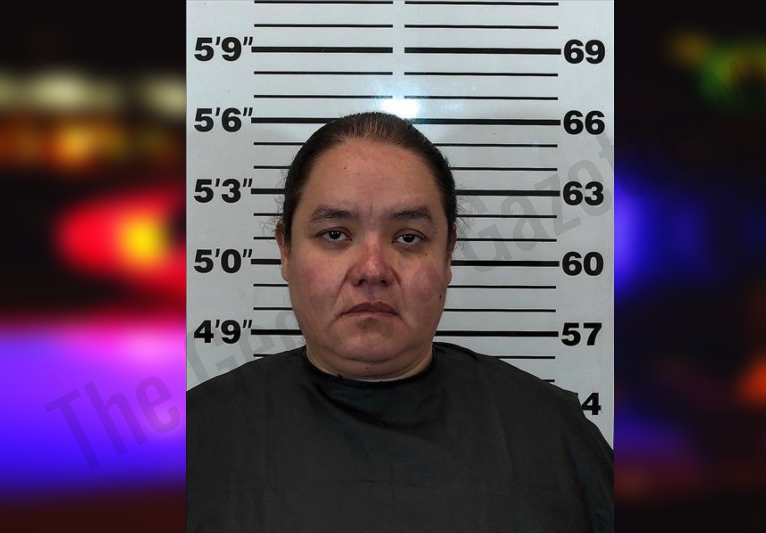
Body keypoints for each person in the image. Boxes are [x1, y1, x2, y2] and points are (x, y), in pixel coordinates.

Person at [187, 111, 613, 532]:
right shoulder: (196, 439)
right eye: (335, 234)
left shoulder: (554, 437)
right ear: (286, 250)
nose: (372, 270)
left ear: (447, 254)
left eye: (408, 238)